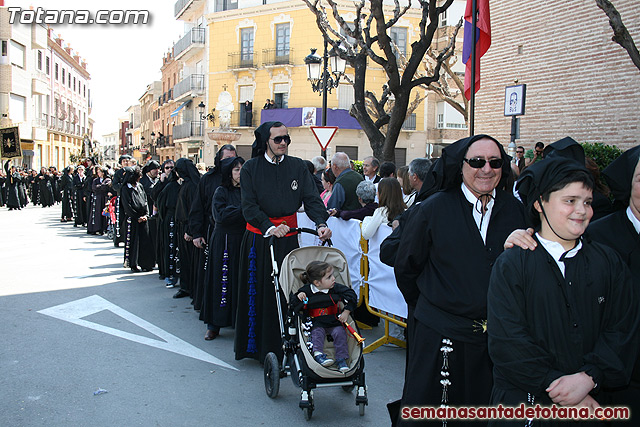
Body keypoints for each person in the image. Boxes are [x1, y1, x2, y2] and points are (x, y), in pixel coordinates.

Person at [487, 156, 639, 426]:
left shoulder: (608, 261)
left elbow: (622, 328)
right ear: (539, 203)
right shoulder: (513, 264)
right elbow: (508, 341)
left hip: (593, 403)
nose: (582, 210)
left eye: (587, 202)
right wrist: (562, 389)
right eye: (570, 201)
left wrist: (589, 377)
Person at [393, 135, 526, 426]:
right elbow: (407, 268)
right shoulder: (432, 210)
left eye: (495, 162)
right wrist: (434, 306)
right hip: (440, 335)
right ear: (461, 165)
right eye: (477, 161)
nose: (486, 169)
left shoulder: (516, 211)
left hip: (495, 340)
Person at [235, 121, 331, 364]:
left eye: (286, 139)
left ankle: (290, 345)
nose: (283, 143)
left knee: (289, 293)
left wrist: (321, 223)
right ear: (265, 141)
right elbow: (249, 206)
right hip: (260, 238)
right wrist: (269, 227)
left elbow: (311, 199)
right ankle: (259, 350)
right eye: (278, 139)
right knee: (262, 292)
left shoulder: (298, 167)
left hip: (288, 239)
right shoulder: (250, 169)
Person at [200, 156, 246, 341]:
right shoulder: (221, 191)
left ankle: (238, 323)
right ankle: (214, 324)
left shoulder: (248, 191)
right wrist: (244, 210)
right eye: (236, 170)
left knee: (240, 282)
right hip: (224, 241)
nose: (240, 173)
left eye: (243, 169)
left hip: (243, 239)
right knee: (221, 280)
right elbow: (220, 216)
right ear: (229, 173)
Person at [189, 145, 237, 310]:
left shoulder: (241, 181)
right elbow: (198, 207)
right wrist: (196, 232)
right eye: (227, 159)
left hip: (236, 235)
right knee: (211, 273)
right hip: (212, 231)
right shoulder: (208, 179)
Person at [293, 261, 358, 373]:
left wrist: (346, 311)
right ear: (317, 283)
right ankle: (318, 354)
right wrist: (299, 296)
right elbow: (293, 303)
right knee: (317, 333)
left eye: (333, 275)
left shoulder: (335, 288)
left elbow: (351, 294)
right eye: (329, 277)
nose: (333, 278)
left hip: (334, 319)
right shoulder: (307, 290)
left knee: (340, 333)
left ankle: (341, 359)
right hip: (315, 321)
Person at [172, 158, 201, 299]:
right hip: (183, 226)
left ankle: (188, 287)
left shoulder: (191, 186)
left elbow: (192, 210)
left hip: (187, 227)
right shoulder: (188, 184)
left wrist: (190, 230)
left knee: (188, 259)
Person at [121, 166, 154, 273]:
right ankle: (133, 264)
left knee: (145, 242)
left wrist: (146, 215)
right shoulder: (126, 188)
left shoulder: (140, 186)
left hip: (143, 218)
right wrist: (137, 217)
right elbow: (127, 206)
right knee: (134, 243)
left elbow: (145, 201)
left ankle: (146, 263)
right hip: (133, 219)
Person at [155, 163, 181, 288]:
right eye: (167, 168)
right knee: (171, 247)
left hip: (179, 220)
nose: (170, 170)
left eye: (172, 168)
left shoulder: (183, 185)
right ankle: (170, 275)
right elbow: (158, 200)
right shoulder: (170, 186)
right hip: (171, 219)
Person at [111, 155, 133, 247]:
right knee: (120, 219)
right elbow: (114, 185)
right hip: (121, 198)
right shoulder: (118, 173)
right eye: (124, 161)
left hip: (131, 198)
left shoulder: (133, 172)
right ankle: (118, 238)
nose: (126, 162)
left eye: (127, 161)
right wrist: (123, 188)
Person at [87, 167, 111, 235]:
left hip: (104, 198)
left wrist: (100, 187)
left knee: (103, 213)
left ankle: (102, 228)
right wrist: (101, 187)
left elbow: (106, 186)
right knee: (96, 213)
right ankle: (94, 228)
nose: (98, 173)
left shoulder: (107, 180)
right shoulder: (95, 180)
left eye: (99, 172)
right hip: (97, 198)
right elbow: (94, 187)